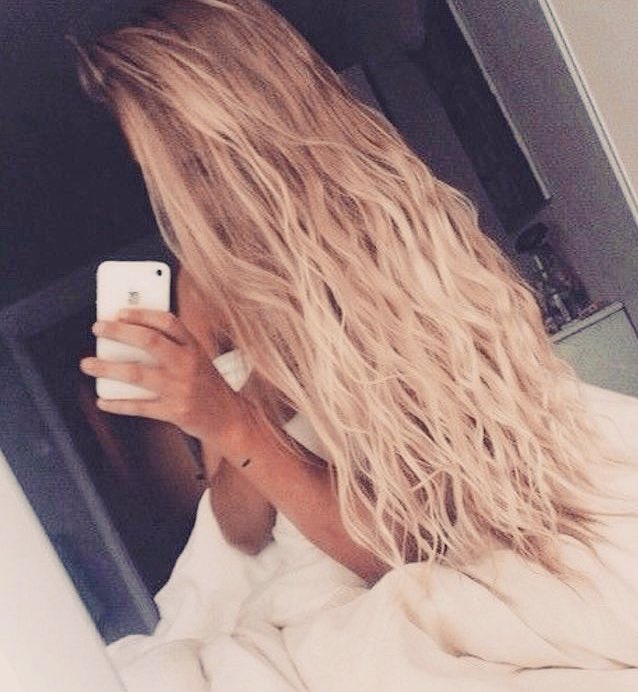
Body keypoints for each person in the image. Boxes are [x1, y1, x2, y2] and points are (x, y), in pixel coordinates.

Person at [73, 0, 621, 587]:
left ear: (250, 133)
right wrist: (241, 400)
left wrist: (248, 408)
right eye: (159, 172)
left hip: (411, 571)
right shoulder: (203, 284)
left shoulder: (398, 237)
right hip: (299, 573)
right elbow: (241, 529)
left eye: (191, 166)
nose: (183, 197)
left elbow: (411, 548)